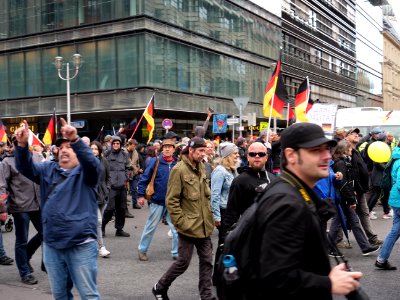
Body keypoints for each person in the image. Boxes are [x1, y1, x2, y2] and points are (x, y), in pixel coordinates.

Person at [240, 123, 363, 299]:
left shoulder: (293, 189)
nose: (327, 156)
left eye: (327, 149)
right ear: (291, 155)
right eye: (316, 150)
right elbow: (275, 277)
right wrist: (329, 283)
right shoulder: (286, 203)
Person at [14, 118, 101, 299]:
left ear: (77, 152)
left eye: (69, 147)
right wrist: (22, 145)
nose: (63, 151)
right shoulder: (48, 169)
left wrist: (75, 140)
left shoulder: (87, 173)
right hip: (52, 244)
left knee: (88, 295)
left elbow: (91, 163)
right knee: (60, 295)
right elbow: (25, 167)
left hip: (81, 244)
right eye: (61, 148)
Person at [152, 137, 215, 300]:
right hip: (188, 226)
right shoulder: (179, 170)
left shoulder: (203, 167)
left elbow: (205, 197)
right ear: (191, 150)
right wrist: (181, 223)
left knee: (207, 262)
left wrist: (211, 218)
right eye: (200, 151)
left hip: (204, 225)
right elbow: (171, 200)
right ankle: (160, 287)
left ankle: (206, 296)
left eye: (204, 150)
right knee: (183, 263)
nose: (203, 154)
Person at [0, 143, 43, 284]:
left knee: (46, 233)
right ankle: (24, 272)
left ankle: (26, 256)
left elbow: (44, 176)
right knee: (21, 240)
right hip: (20, 206)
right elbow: (2, 186)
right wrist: (2, 209)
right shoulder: (7, 161)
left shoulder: (36, 156)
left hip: (38, 204)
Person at [330, 140, 380, 256]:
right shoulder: (341, 163)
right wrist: (351, 199)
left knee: (353, 222)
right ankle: (328, 247)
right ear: (344, 150)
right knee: (337, 223)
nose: (351, 149)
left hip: (343, 197)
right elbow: (343, 184)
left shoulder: (343, 161)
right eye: (349, 148)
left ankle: (365, 247)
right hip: (342, 198)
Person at [136, 139, 178, 261]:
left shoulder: (178, 163)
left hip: (173, 202)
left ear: (174, 149)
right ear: (162, 149)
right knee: (150, 227)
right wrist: (140, 195)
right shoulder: (155, 161)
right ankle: (142, 250)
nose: (167, 149)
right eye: (165, 147)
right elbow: (145, 178)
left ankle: (176, 253)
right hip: (157, 201)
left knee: (176, 229)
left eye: (170, 147)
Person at [223, 142, 274, 232]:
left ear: (266, 157)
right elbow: (231, 213)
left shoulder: (272, 178)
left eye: (261, 154)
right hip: (251, 235)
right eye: (252, 154)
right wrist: (225, 240)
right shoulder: (239, 181)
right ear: (248, 157)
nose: (257, 156)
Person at [210, 142, 239, 298]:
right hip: (223, 212)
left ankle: (221, 275)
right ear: (228, 155)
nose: (237, 155)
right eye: (235, 153)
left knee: (228, 244)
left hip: (233, 212)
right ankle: (217, 277)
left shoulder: (233, 169)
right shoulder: (220, 171)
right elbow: (214, 195)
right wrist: (216, 216)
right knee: (223, 245)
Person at [375, 142, 400, 270]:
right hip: (398, 199)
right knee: (395, 231)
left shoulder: (396, 158)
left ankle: (381, 259)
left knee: (395, 231)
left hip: (396, 199)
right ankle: (381, 259)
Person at [102, 135, 131, 237]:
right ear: (111, 144)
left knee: (122, 209)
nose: (115, 145)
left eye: (117, 143)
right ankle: (102, 227)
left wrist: (126, 178)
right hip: (111, 187)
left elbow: (128, 167)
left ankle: (119, 229)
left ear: (120, 144)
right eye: (114, 143)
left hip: (122, 187)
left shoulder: (124, 154)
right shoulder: (106, 154)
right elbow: (103, 168)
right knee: (109, 209)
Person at [90, 141, 111, 258]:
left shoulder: (104, 161)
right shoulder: (86, 162)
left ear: (99, 150)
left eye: (96, 149)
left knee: (98, 221)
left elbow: (109, 177)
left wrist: (107, 189)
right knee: (98, 222)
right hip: (91, 195)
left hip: (103, 195)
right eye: (91, 148)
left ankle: (91, 243)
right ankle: (101, 247)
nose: (93, 151)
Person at [127, 139, 142, 209]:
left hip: (135, 173)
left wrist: (139, 169)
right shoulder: (123, 152)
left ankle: (135, 203)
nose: (134, 147)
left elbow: (138, 161)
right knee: (124, 190)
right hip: (126, 172)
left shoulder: (135, 152)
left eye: (135, 146)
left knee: (134, 189)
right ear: (129, 145)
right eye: (133, 146)